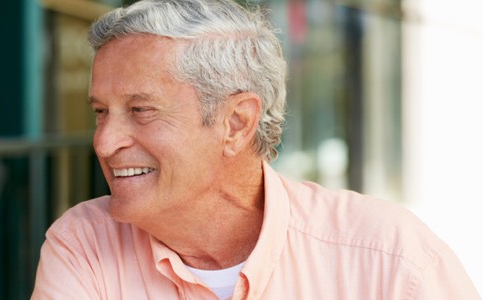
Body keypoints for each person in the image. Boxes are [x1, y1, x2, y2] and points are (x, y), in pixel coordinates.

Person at [33, 0, 479, 299]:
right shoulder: (82, 245)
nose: (105, 142)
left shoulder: (392, 259)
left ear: (236, 123)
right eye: (100, 112)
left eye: (141, 110)